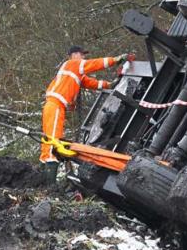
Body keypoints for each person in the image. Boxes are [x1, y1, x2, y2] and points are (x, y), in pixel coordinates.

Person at [40, 45, 128, 175]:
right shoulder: (71, 64)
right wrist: (114, 60)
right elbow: (93, 64)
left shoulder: (75, 73)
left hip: (53, 106)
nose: (83, 57)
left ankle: (43, 178)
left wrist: (109, 84)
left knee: (49, 141)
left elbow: (91, 83)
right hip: (55, 106)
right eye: (82, 55)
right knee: (54, 142)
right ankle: (48, 181)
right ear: (74, 55)